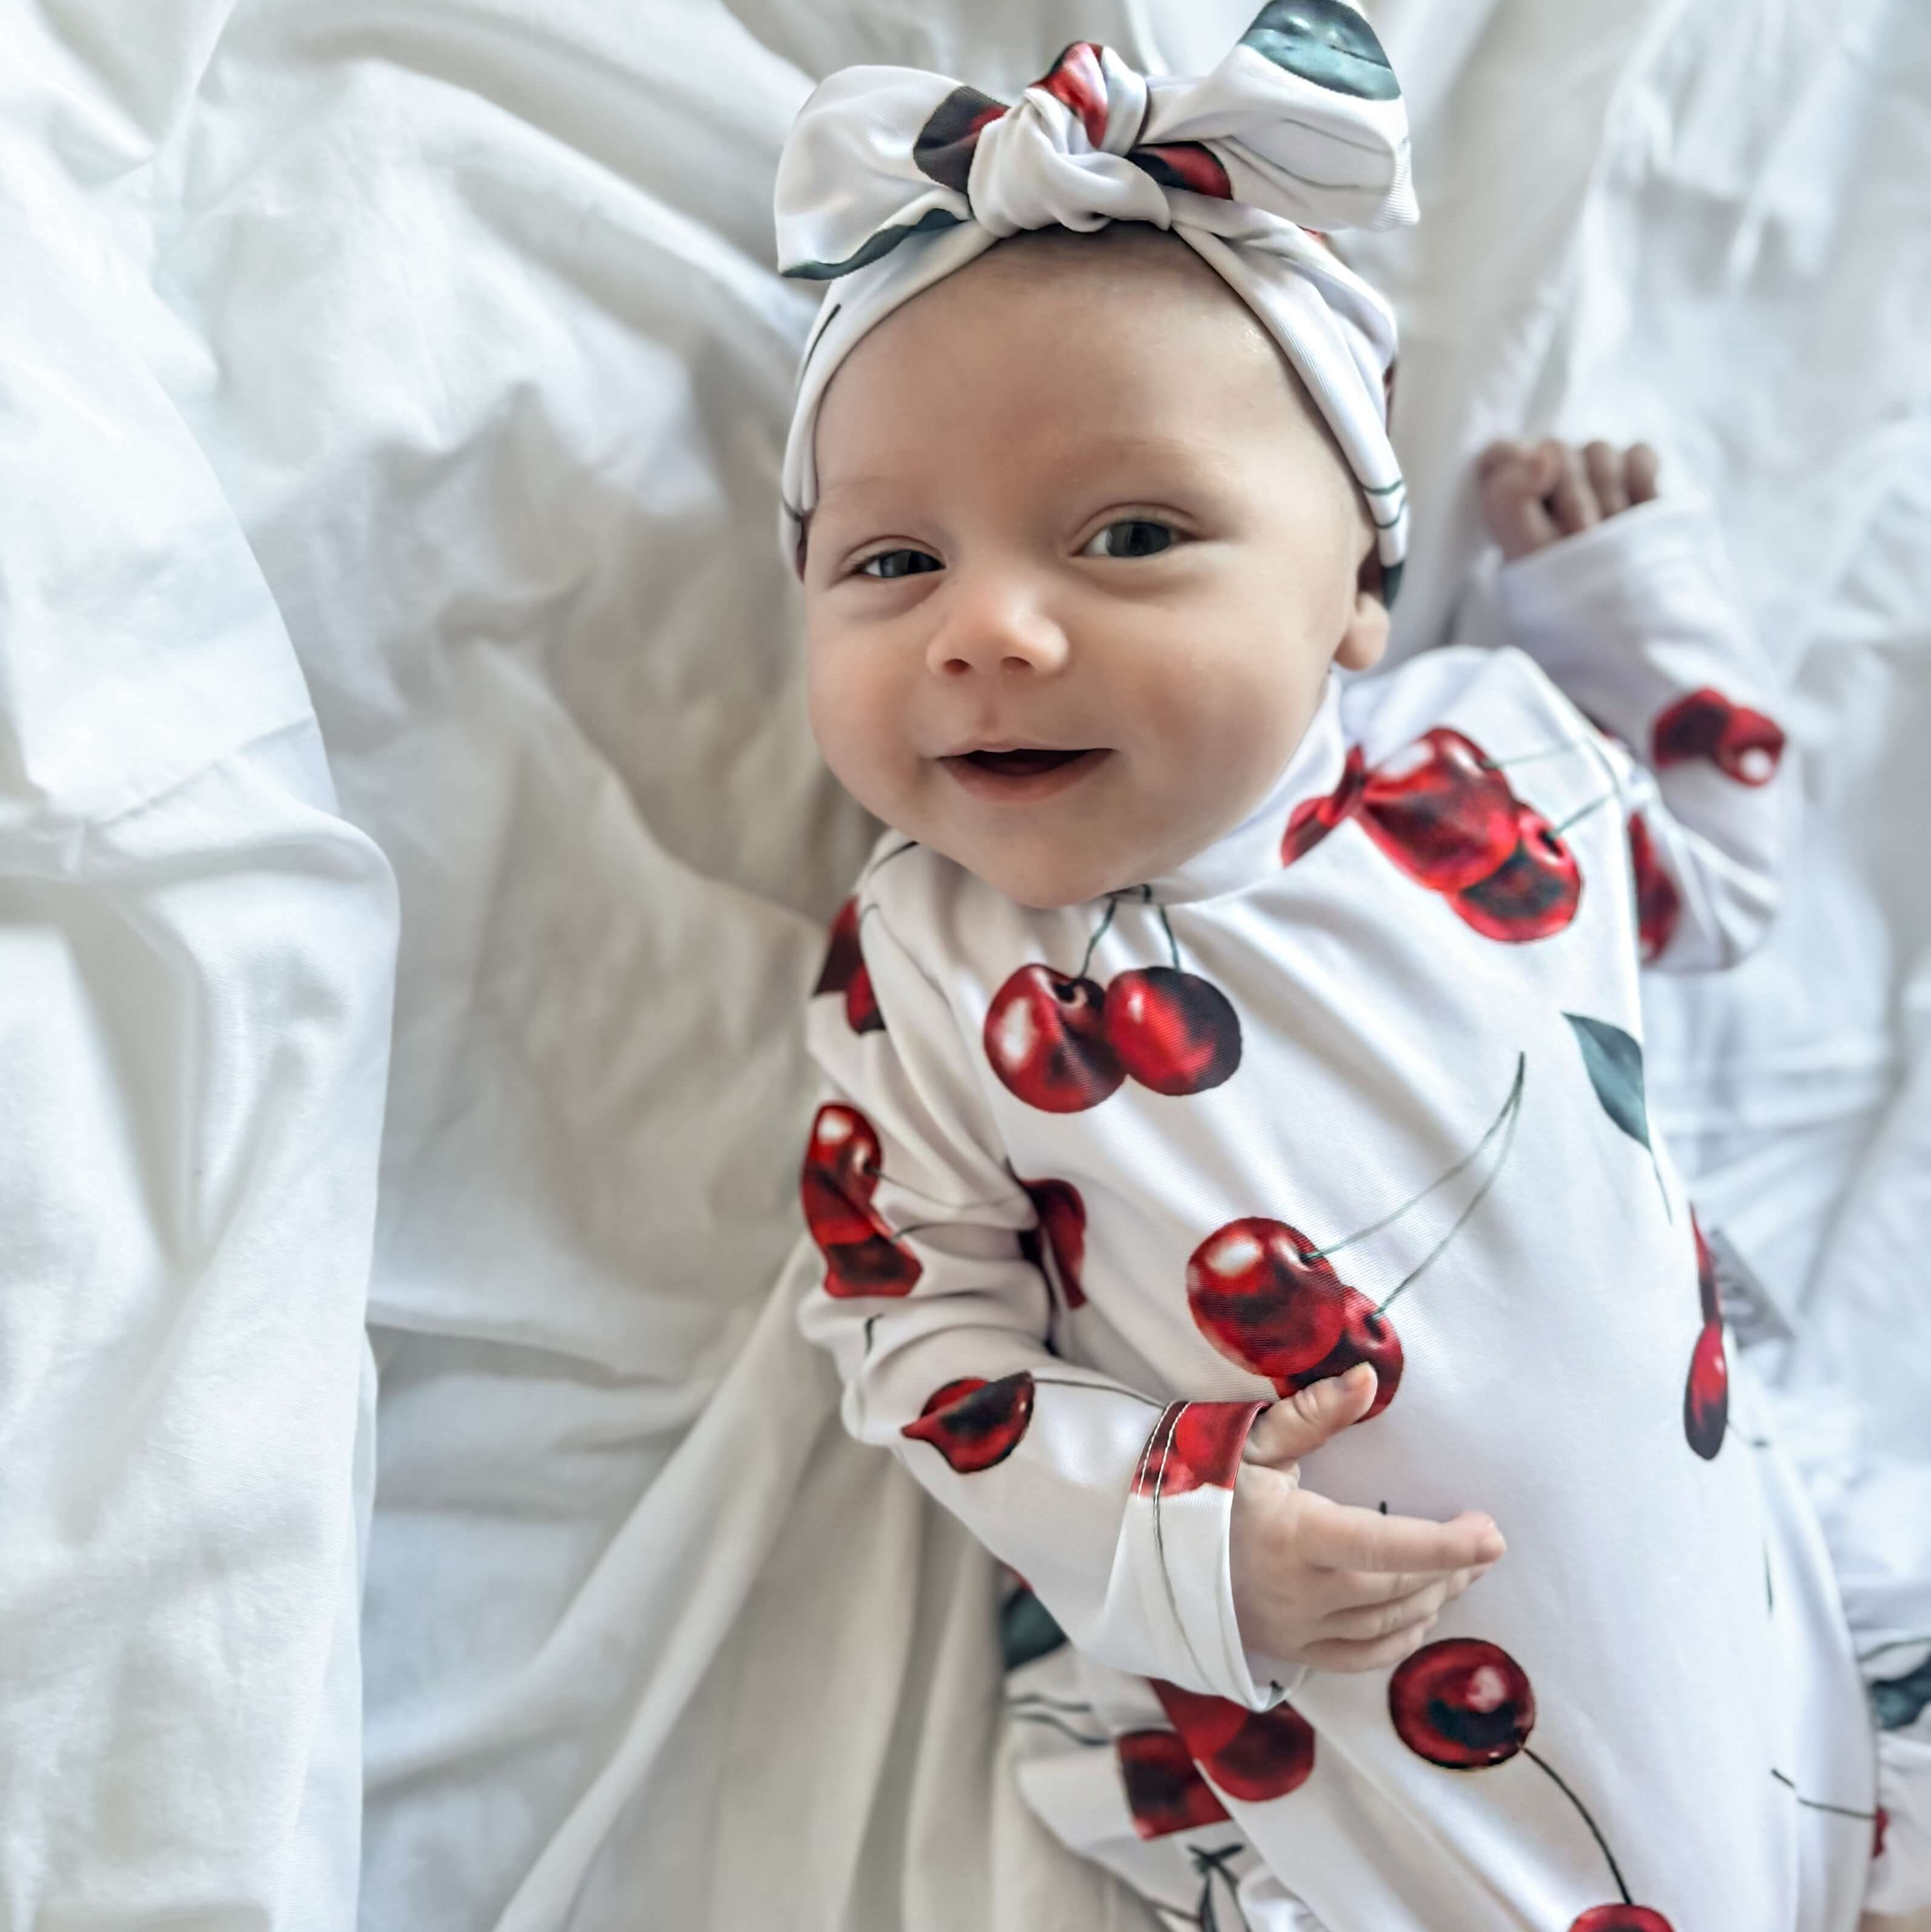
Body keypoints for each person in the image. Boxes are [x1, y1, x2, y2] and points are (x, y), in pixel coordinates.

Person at [780, 9, 1928, 1927]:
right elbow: (915, 1344)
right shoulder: (929, 963)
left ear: (1356, 599)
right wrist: (1185, 1538)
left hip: (1756, 1617)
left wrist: (1622, 609)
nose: (986, 626)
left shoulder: (1488, 758)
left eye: (1129, 536)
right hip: (1341, 1734)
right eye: (887, 565)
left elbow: (1716, 893)